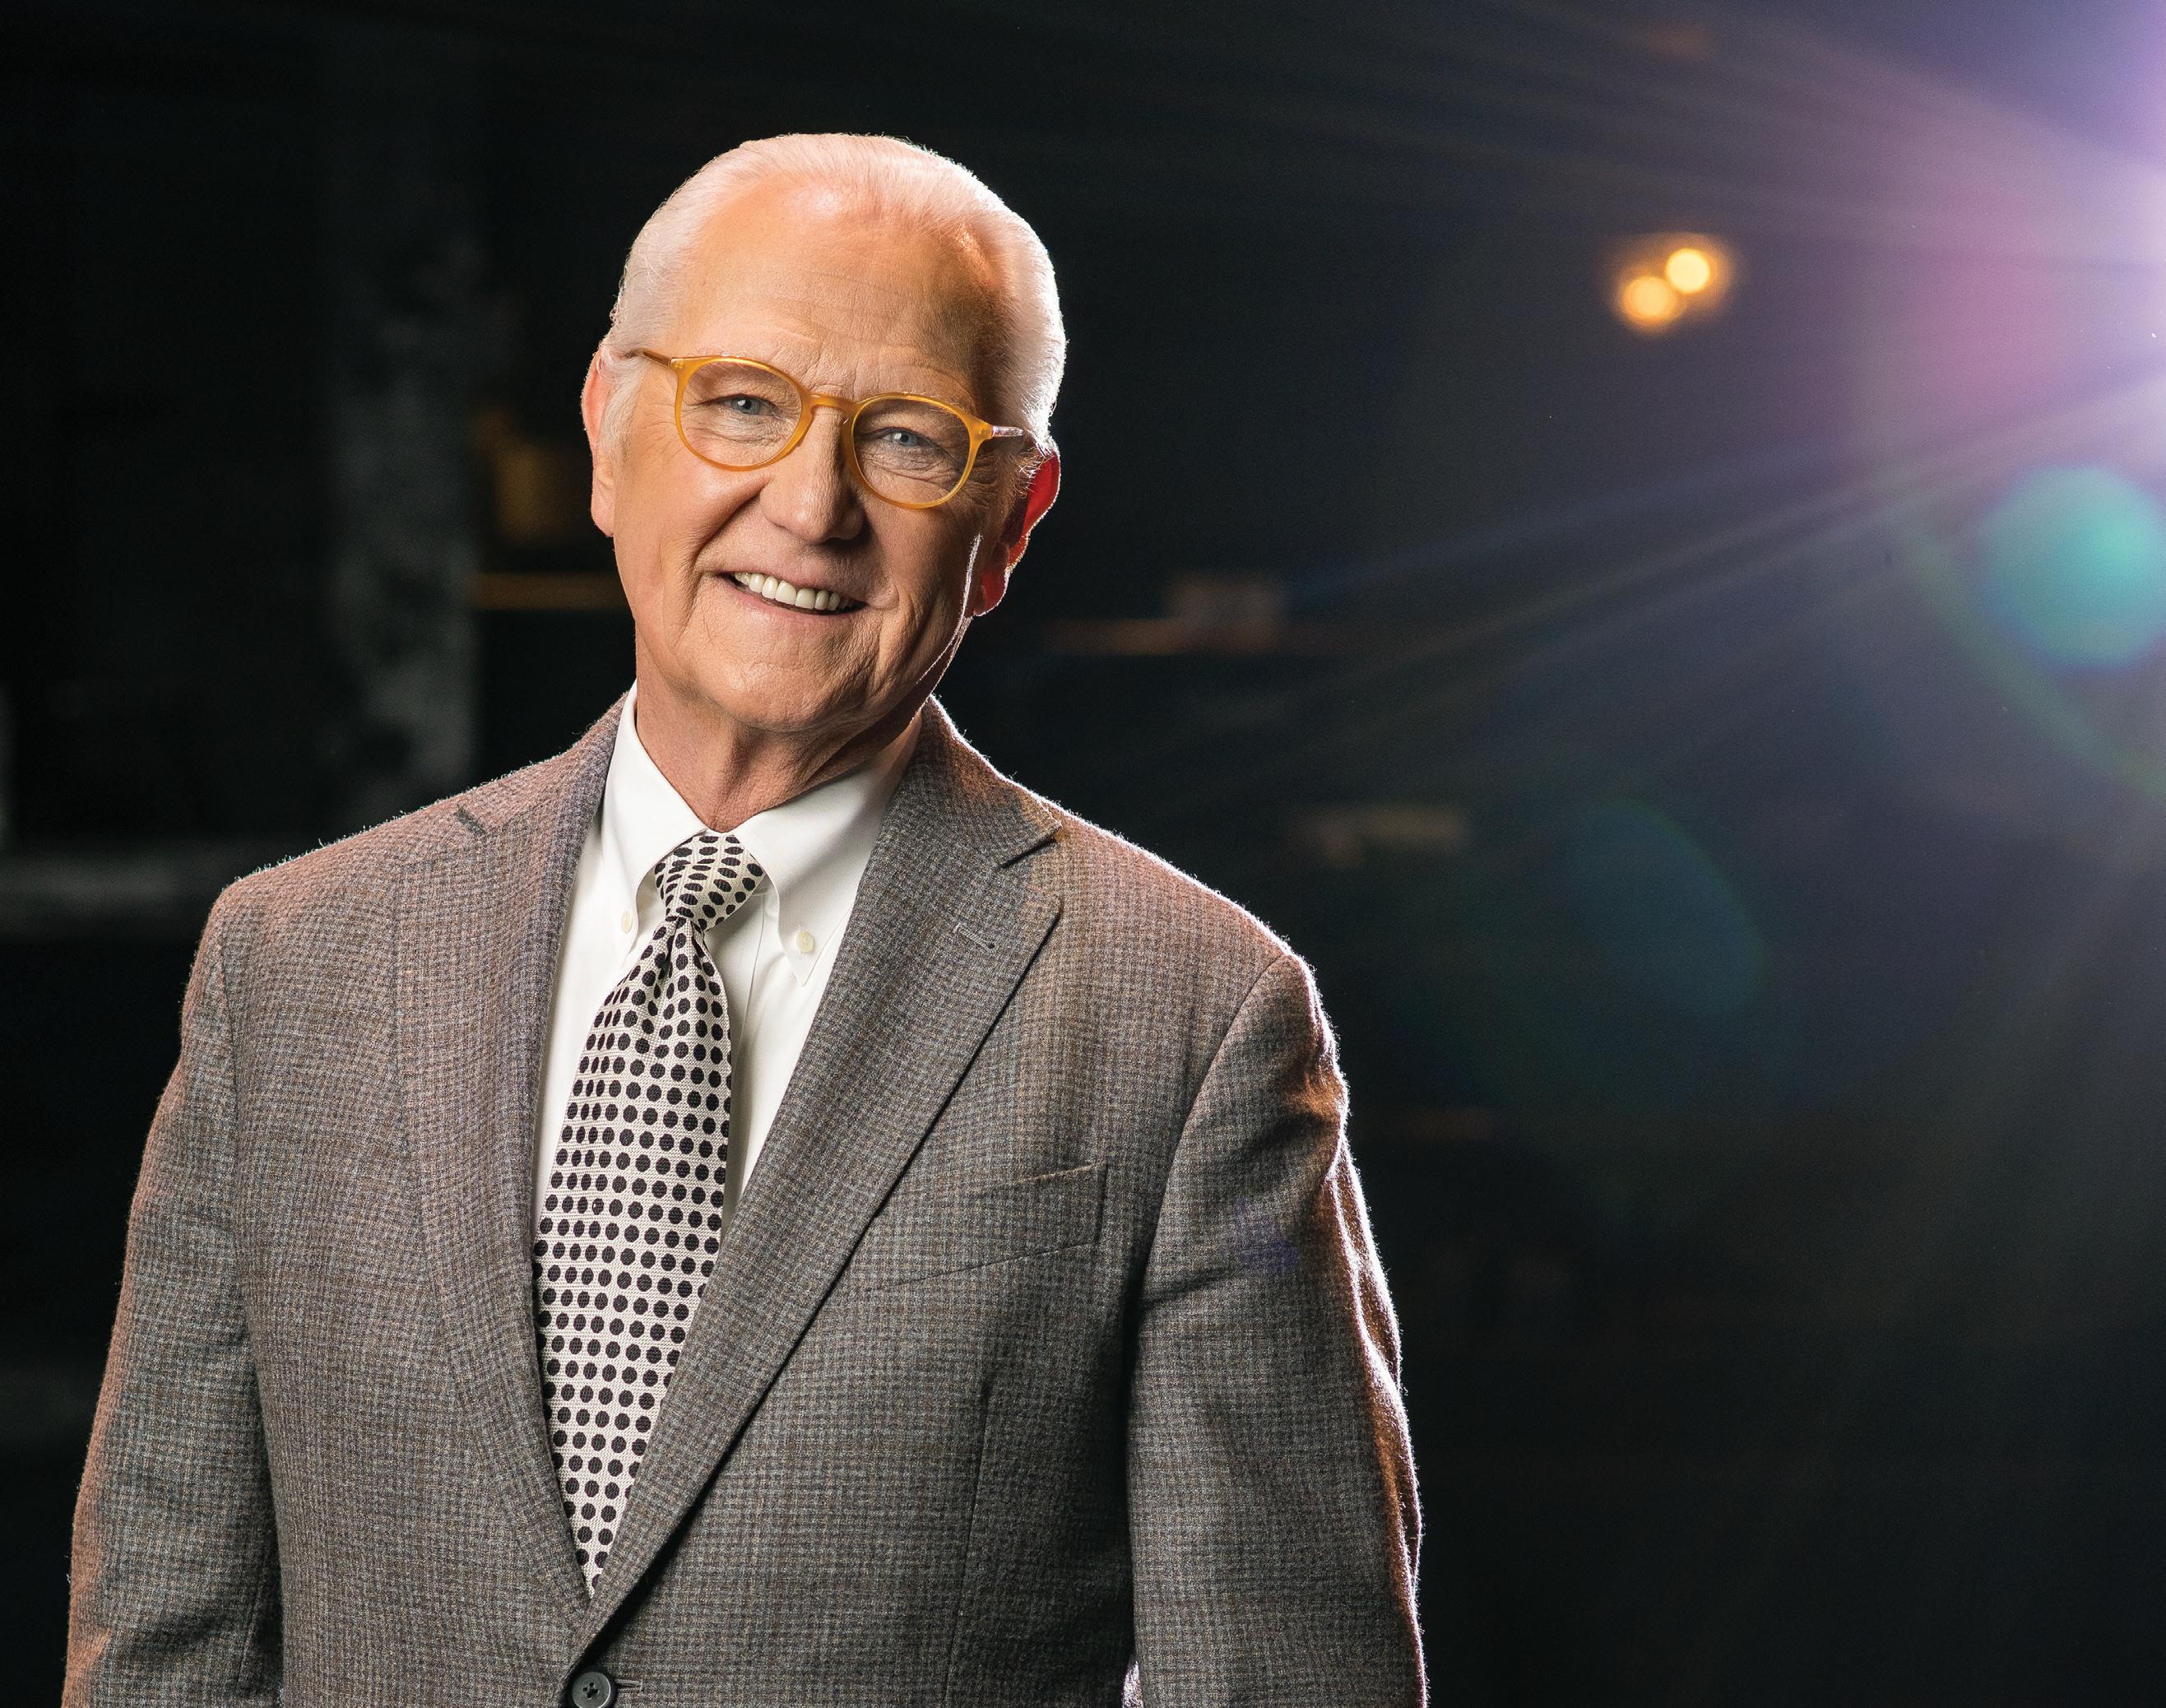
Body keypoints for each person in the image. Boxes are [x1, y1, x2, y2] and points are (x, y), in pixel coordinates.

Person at [66, 132, 1424, 1706]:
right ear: (607, 428)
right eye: (742, 404)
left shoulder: (1190, 1019)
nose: (810, 506)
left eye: (907, 439)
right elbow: (165, 1646)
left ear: (1012, 520)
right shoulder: (296, 961)